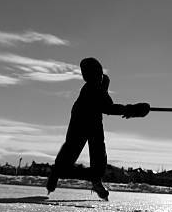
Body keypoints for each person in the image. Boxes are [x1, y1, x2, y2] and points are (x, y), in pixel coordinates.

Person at [46, 57, 150, 200]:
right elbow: (108, 107)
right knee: (68, 158)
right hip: (80, 124)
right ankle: (58, 172)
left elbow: (106, 103)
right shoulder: (91, 88)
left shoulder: (99, 85)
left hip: (94, 123)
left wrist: (132, 110)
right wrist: (133, 110)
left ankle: (95, 181)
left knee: (99, 158)